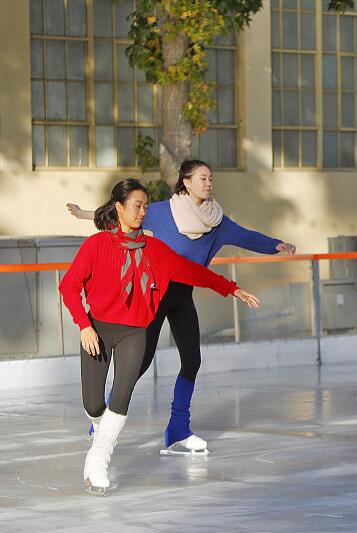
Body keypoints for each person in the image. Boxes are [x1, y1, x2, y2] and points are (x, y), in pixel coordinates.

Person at [66, 160, 294, 456]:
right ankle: (102, 421)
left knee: (192, 359)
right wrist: (86, 213)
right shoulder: (161, 211)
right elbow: (120, 215)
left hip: (183, 293)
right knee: (140, 362)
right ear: (186, 182)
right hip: (153, 294)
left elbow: (246, 236)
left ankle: (177, 431)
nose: (209, 182)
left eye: (211, 178)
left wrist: (275, 245)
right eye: (202, 178)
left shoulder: (217, 221)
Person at [59, 179, 260, 495]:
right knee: (93, 404)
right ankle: (99, 428)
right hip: (97, 329)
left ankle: (98, 461)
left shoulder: (155, 251)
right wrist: (84, 325)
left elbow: (193, 271)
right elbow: (68, 286)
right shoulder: (96, 246)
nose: (143, 212)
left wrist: (231, 288)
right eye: (137, 205)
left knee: (122, 396)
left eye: (145, 206)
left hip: (134, 332)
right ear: (119, 208)